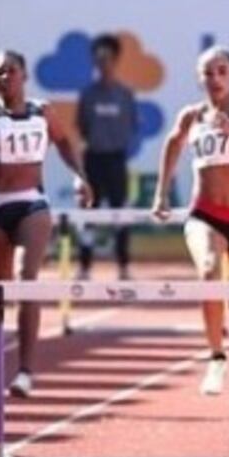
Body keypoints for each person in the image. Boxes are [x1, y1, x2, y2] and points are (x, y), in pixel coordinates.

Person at [0, 49, 93, 397]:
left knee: (28, 281)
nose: (3, 77)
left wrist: (79, 176)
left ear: (24, 75)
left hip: (31, 204)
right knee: (1, 293)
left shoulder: (42, 112)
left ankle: (25, 371)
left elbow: (66, 142)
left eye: (10, 71)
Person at [151, 46, 229, 404]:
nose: (216, 79)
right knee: (209, 271)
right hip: (205, 214)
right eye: (208, 73)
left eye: (222, 71)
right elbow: (172, 144)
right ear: (199, 78)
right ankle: (217, 357)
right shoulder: (191, 117)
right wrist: (162, 193)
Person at [76, 33, 139, 280]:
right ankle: (84, 266)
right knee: (88, 214)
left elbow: (132, 124)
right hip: (93, 159)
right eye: (98, 59)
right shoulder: (88, 95)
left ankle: (123, 266)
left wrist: (115, 143)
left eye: (108, 58)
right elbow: (82, 125)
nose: (103, 64)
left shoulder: (125, 94)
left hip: (116, 160)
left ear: (115, 60)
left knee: (120, 214)